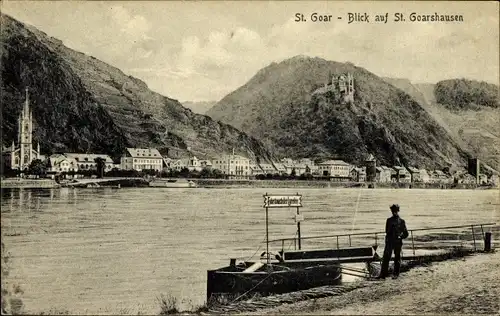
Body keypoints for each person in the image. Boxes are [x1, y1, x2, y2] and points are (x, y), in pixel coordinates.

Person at [377, 204, 409, 279]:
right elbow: (386, 231)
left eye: (395, 211)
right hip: (389, 242)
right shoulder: (389, 220)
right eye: (393, 211)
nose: (394, 212)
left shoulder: (401, 221)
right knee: (386, 258)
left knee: (397, 258)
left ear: (398, 211)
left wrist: (400, 237)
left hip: (397, 242)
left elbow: (406, 233)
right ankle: (383, 275)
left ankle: (396, 274)